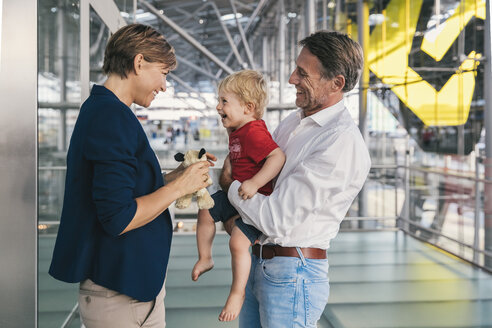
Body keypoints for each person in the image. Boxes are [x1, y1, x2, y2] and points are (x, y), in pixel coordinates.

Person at [48, 24, 215, 328]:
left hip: (128, 290)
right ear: (139, 63)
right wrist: (180, 187)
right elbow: (119, 217)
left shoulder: (105, 110)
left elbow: (123, 190)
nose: (164, 86)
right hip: (120, 295)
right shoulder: (111, 116)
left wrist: (176, 177)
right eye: (163, 73)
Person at [220, 31, 371, 328]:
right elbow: (260, 177)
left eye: (303, 73)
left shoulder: (339, 142)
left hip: (292, 274)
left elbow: (276, 219)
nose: (291, 79)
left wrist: (230, 186)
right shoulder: (294, 122)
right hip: (262, 262)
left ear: (336, 83)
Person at [191, 70, 286, 322]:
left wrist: (255, 182)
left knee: (237, 243)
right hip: (237, 197)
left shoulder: (253, 132)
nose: (217, 106)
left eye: (224, 101)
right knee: (205, 209)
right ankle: (205, 257)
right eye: (218, 101)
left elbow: (277, 157)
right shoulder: (238, 131)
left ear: (248, 107)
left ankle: (237, 293)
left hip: (252, 202)